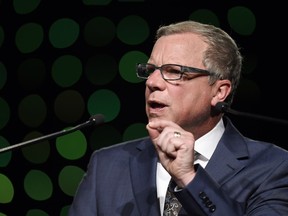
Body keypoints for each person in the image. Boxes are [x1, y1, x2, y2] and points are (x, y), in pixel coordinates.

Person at [68, 20, 288, 215]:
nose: (152, 82)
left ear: (219, 91)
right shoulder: (106, 166)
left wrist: (188, 177)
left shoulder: (273, 167)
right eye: (150, 69)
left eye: (174, 71)